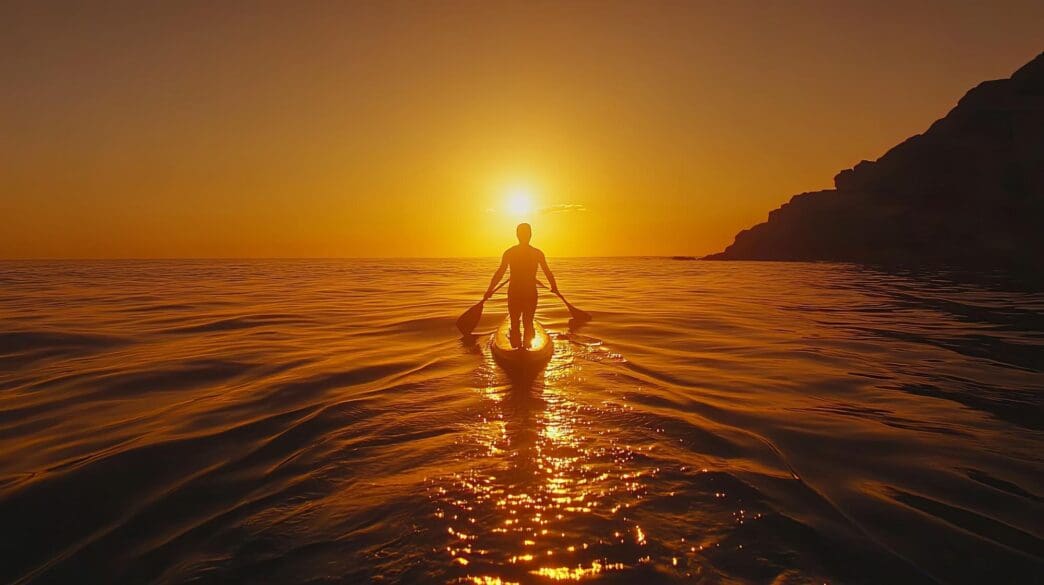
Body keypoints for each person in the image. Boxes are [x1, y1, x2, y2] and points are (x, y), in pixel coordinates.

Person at [484, 223, 558, 348]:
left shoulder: (510, 252)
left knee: (515, 323)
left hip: (515, 292)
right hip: (529, 292)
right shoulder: (537, 253)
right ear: (530, 235)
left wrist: (489, 290)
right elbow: (548, 272)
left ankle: (516, 350)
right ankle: (527, 351)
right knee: (528, 322)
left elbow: (500, 273)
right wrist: (554, 287)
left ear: (517, 235)